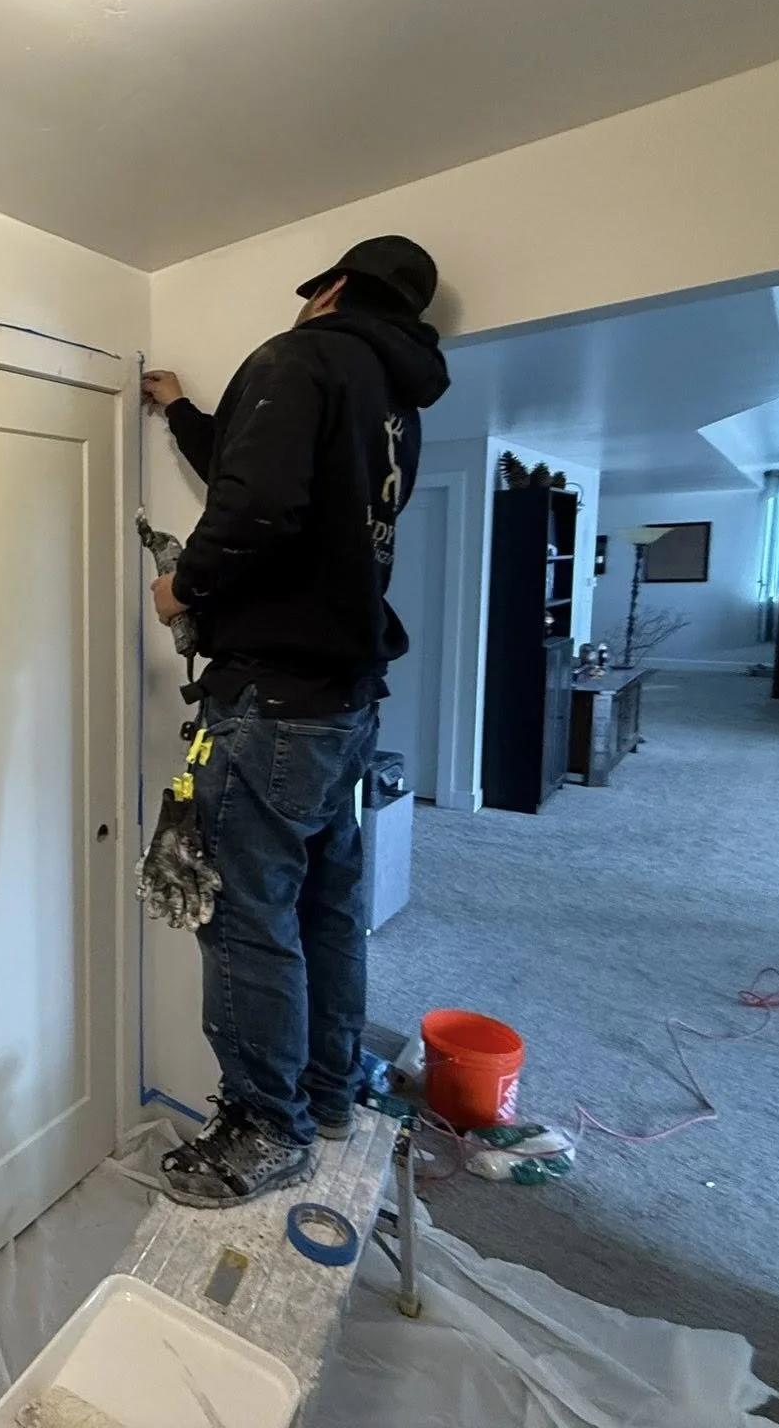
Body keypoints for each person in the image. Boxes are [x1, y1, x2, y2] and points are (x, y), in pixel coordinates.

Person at [141, 235, 450, 1207]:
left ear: (331, 291)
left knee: (239, 915)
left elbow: (259, 503)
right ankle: (324, 1092)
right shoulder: (393, 404)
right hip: (340, 702)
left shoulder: (298, 357)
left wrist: (182, 585)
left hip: (268, 701)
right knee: (322, 903)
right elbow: (260, 470)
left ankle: (263, 1127)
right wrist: (182, 411)